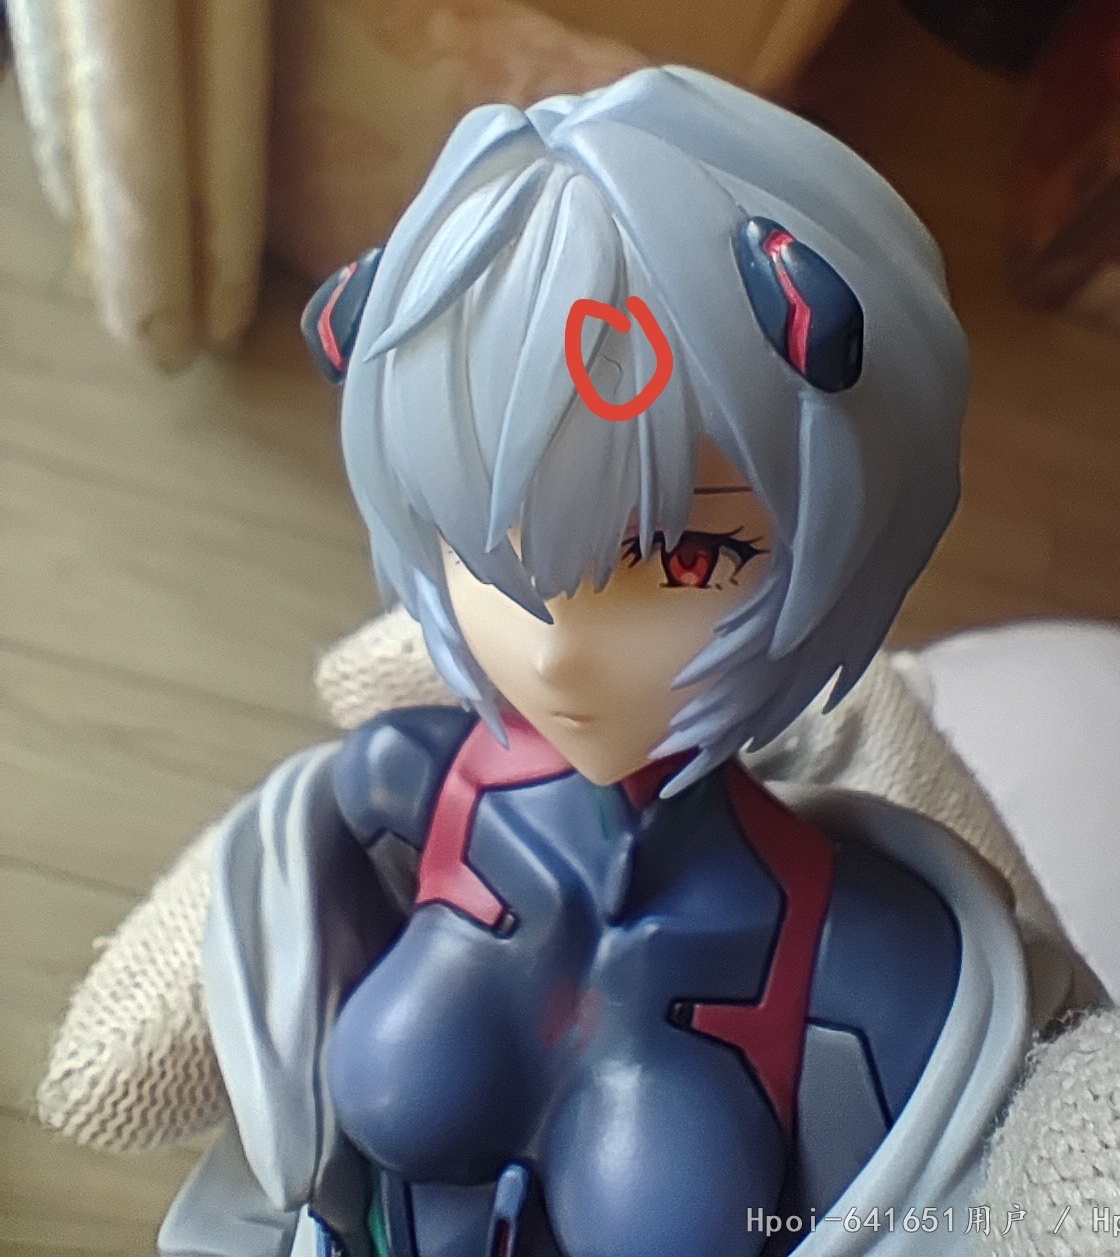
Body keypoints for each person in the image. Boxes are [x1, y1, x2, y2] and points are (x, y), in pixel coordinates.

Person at [161, 67, 1030, 1257]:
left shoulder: (876, 959)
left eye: (688, 556)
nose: (560, 647)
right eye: (485, 546)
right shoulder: (393, 791)